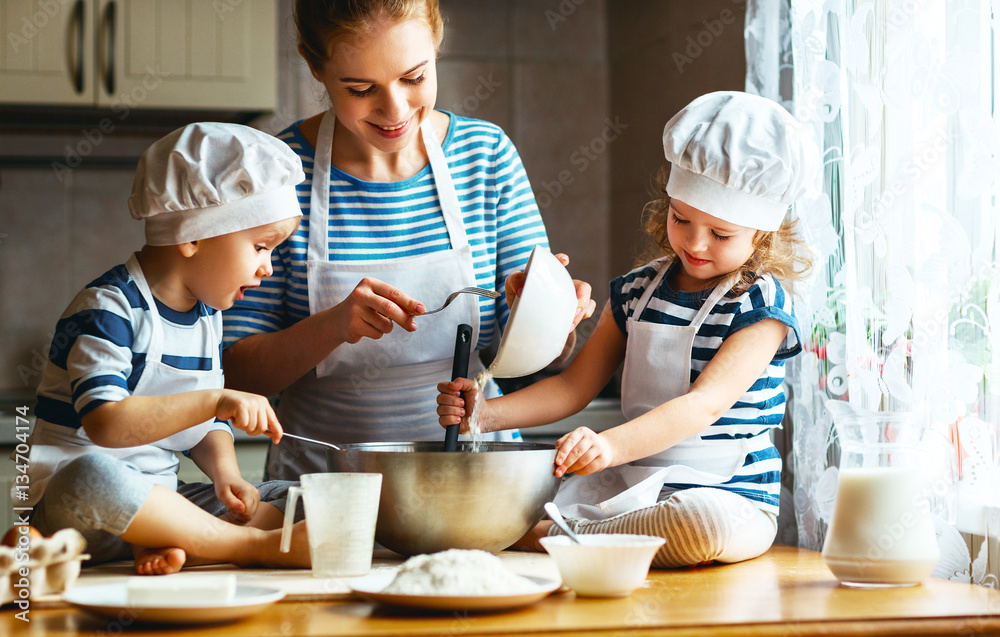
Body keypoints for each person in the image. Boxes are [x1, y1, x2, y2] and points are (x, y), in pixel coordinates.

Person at [438, 91, 818, 568]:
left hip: (731, 498)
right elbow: (573, 387)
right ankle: (582, 535)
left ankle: (550, 536)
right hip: (632, 490)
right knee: (541, 496)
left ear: (763, 232)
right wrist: (484, 414)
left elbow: (703, 405)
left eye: (720, 234)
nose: (695, 243)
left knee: (702, 522)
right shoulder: (636, 292)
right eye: (681, 218)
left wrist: (610, 445)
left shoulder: (762, 307)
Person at [222, 0, 595, 480]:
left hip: (474, 477)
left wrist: (553, 315)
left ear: (437, 44)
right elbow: (234, 373)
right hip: (325, 482)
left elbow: (539, 357)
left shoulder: (485, 157)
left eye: (414, 78)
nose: (394, 110)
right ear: (315, 64)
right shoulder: (278, 174)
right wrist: (332, 327)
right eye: (360, 89)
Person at [22, 123, 312, 575]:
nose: (267, 269)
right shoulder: (109, 308)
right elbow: (106, 425)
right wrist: (216, 399)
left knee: (298, 499)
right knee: (90, 476)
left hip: (159, 504)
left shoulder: (205, 317)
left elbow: (204, 424)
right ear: (192, 236)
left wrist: (226, 476)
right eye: (260, 247)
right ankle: (246, 546)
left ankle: (177, 541)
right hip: (77, 516)